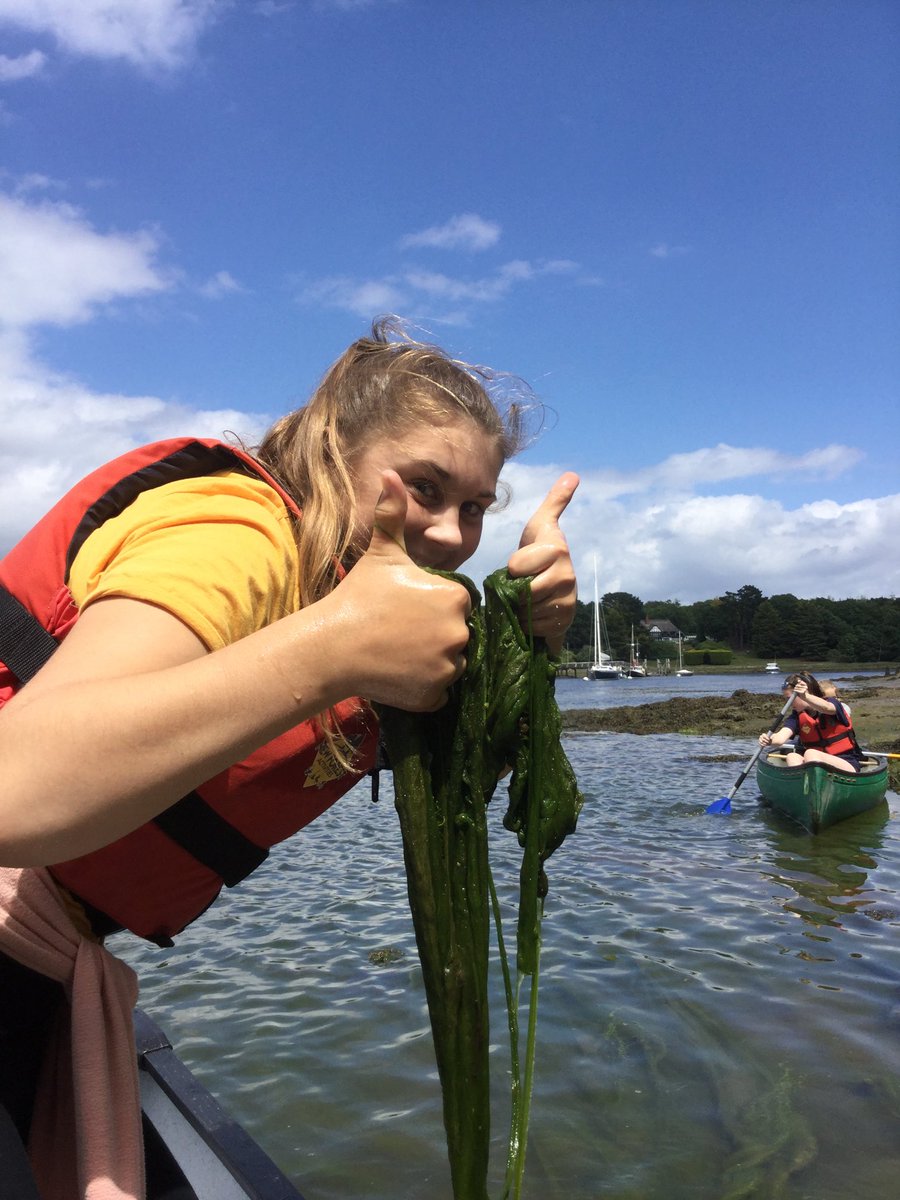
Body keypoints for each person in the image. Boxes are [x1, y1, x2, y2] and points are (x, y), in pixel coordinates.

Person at [0, 320, 579, 1198]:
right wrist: (329, 649)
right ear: (329, 449)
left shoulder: (349, 601)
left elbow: (487, 777)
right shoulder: (236, 534)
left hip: (37, 963)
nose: (457, 535)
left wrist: (531, 641)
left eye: (476, 508)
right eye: (425, 486)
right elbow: (16, 790)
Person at [758, 672, 862, 774]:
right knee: (792, 756)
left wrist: (805, 696)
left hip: (846, 763)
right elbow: (780, 738)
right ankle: (804, 786)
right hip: (815, 764)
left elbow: (827, 708)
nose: (788, 704)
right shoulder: (797, 717)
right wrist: (769, 739)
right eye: (786, 699)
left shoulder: (832, 703)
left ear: (806, 693)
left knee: (810, 753)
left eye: (790, 699)